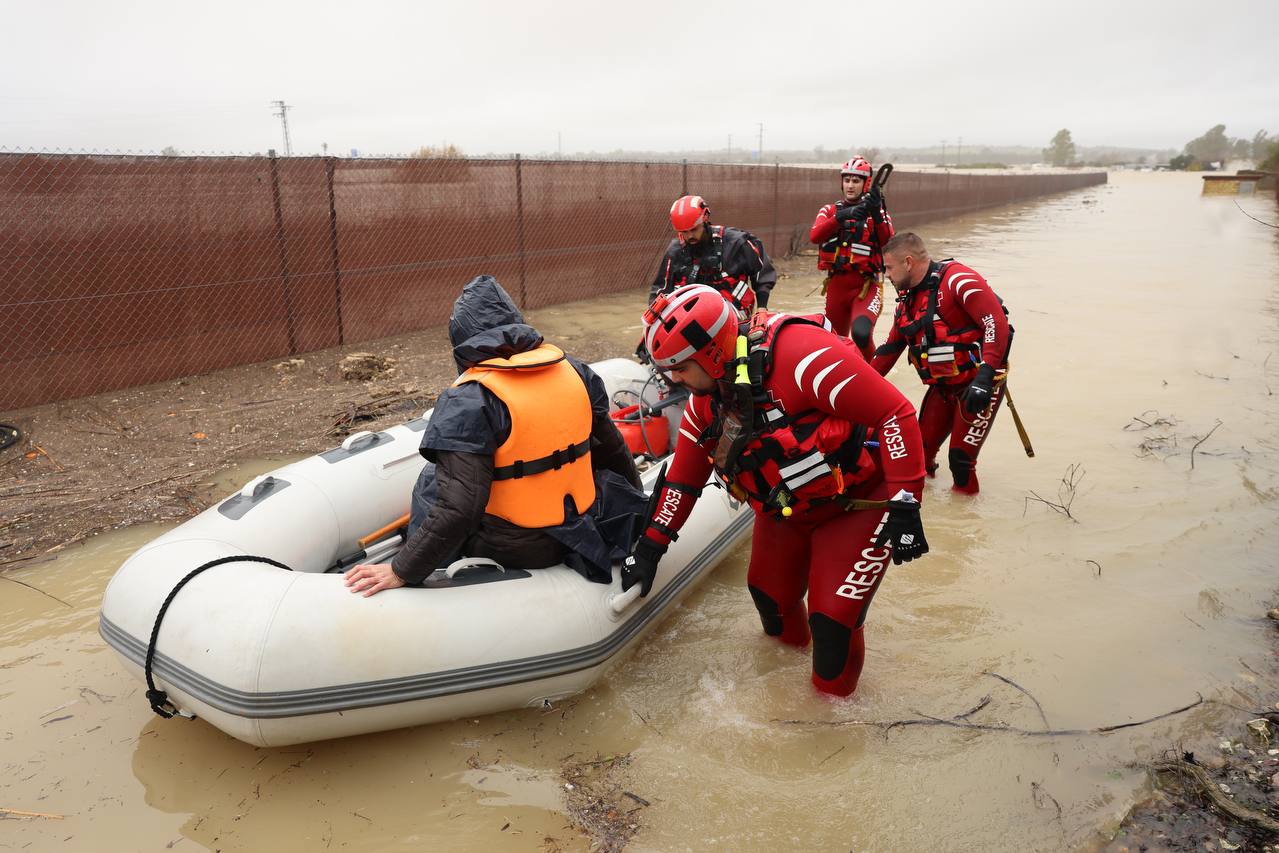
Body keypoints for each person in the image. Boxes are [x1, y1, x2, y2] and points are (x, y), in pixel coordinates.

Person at [622, 284, 929, 698]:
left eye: (679, 367)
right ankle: (784, 694)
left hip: (855, 502)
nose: (674, 379)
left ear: (712, 353)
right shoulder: (707, 401)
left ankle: (829, 722)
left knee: (832, 621)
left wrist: (907, 502)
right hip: (785, 508)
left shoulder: (802, 357)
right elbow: (681, 481)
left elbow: (895, 412)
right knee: (771, 598)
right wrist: (649, 551)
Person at [345, 275, 644, 597]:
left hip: (519, 546)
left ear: (462, 338)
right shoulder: (576, 372)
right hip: (580, 525)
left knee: (432, 481)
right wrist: (637, 502)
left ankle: (430, 576)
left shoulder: (470, 399)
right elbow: (613, 451)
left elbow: (459, 507)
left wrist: (401, 569)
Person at [870, 233, 1013, 495]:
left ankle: (966, 525)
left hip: (980, 387)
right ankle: (928, 511)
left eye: (888, 268)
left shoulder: (959, 280)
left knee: (960, 462)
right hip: (943, 387)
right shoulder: (907, 302)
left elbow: (996, 323)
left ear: (909, 262)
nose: (885, 275)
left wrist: (985, 377)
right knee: (918, 457)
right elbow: (890, 349)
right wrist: (855, 383)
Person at [808, 156, 894, 361]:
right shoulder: (829, 210)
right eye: (847, 180)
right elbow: (815, 236)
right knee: (833, 342)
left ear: (866, 184)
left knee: (861, 335)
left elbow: (887, 241)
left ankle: (875, 374)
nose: (850, 185)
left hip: (866, 287)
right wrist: (843, 216)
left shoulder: (878, 212)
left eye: (856, 181)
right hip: (837, 286)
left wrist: (876, 214)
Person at [649, 195, 778, 313]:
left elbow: (762, 273)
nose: (690, 236)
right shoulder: (675, 251)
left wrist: (762, 309)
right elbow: (661, 290)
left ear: (705, 218)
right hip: (689, 317)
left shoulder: (736, 243)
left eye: (694, 230)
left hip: (734, 317)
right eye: (684, 232)